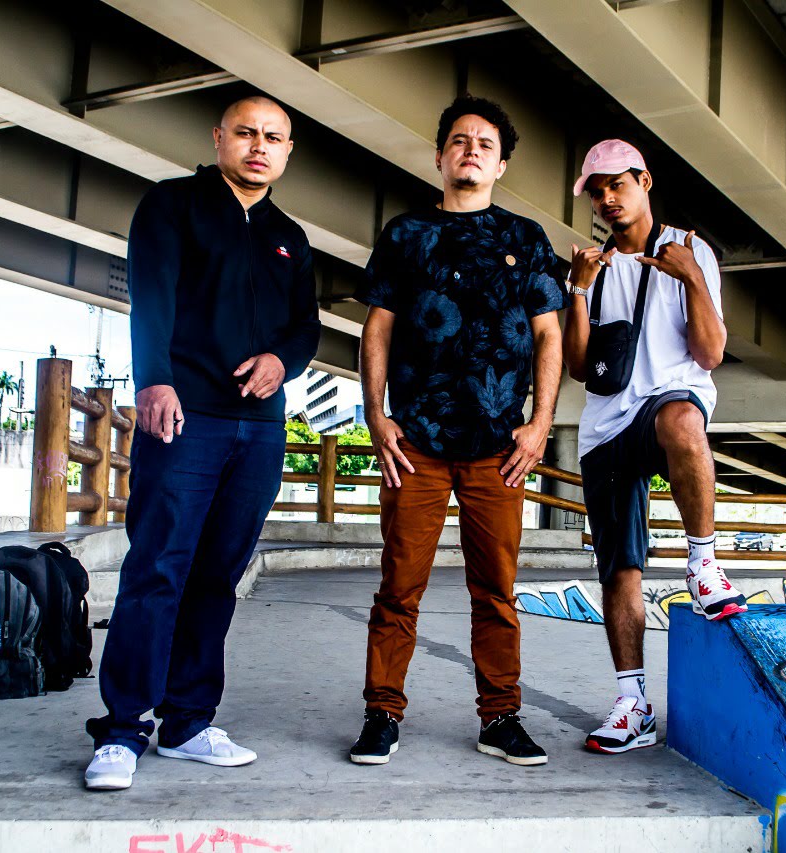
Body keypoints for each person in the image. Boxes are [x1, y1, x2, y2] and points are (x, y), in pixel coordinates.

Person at [83, 96, 320, 790]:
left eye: (273, 137)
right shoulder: (171, 205)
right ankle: (122, 728)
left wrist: (282, 361)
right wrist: (154, 382)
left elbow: (306, 328)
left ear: (287, 151)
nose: (259, 146)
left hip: (260, 427)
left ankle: (187, 722)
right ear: (219, 138)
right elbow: (151, 298)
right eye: (246, 132)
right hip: (185, 417)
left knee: (219, 574)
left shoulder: (289, 236)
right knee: (159, 565)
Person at [349, 95, 564, 767]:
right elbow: (378, 327)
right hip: (415, 441)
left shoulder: (525, 238)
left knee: (496, 591)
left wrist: (540, 424)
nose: (471, 150)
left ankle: (500, 717)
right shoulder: (405, 234)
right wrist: (376, 414)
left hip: (499, 447)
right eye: (460, 141)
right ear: (441, 156)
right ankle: (382, 713)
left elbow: (549, 335)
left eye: (485, 144)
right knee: (399, 587)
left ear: (501, 166)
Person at [562, 139, 747, 756]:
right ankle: (632, 704)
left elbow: (710, 354)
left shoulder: (692, 250)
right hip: (607, 424)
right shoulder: (592, 266)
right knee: (619, 568)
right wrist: (578, 290)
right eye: (597, 192)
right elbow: (580, 367)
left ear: (644, 181)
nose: (607, 199)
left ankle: (703, 564)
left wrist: (689, 275)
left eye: (617, 184)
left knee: (683, 421)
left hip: (668, 398)